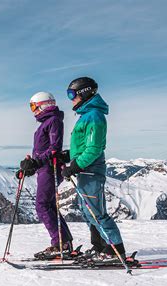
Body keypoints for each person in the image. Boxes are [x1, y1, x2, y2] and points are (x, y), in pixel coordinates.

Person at [60, 77, 126, 263]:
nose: (70, 98)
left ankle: (114, 251)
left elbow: (94, 148)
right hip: (85, 170)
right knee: (87, 211)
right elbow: (83, 147)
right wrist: (67, 156)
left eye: (72, 94)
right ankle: (99, 246)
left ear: (84, 92)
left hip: (91, 170)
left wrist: (75, 165)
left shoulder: (94, 116)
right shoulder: (86, 116)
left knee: (96, 211)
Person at [17, 91, 74, 259]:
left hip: (50, 169)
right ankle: (64, 243)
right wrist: (29, 167)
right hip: (44, 168)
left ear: (43, 104)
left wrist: (36, 162)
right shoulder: (46, 123)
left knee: (42, 206)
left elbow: (54, 148)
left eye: (33, 106)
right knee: (48, 206)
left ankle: (60, 244)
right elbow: (44, 151)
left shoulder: (53, 121)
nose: (33, 110)